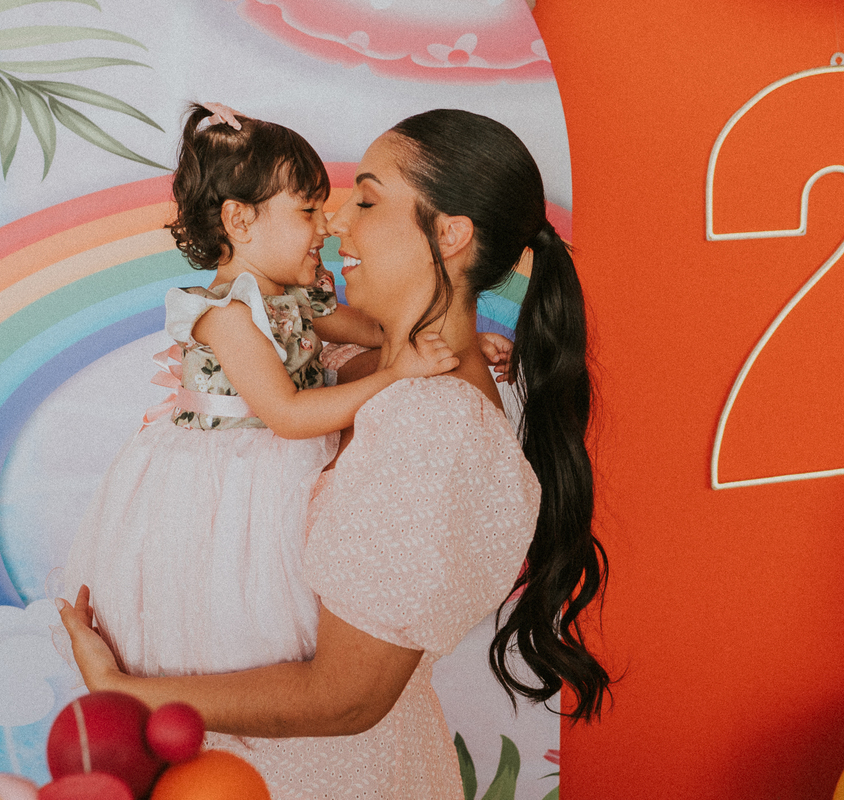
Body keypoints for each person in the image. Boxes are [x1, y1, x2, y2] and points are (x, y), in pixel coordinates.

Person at [59, 108, 610, 799]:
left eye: (367, 202)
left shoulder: (433, 429)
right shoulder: (363, 371)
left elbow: (346, 696)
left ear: (449, 235)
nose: (337, 223)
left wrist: (123, 691)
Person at [62, 103, 456, 682]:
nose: (327, 226)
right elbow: (287, 415)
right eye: (308, 210)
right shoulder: (226, 316)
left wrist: (453, 343)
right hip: (234, 478)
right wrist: (398, 374)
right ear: (240, 221)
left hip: (285, 465)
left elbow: (380, 331)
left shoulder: (298, 299)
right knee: (239, 595)